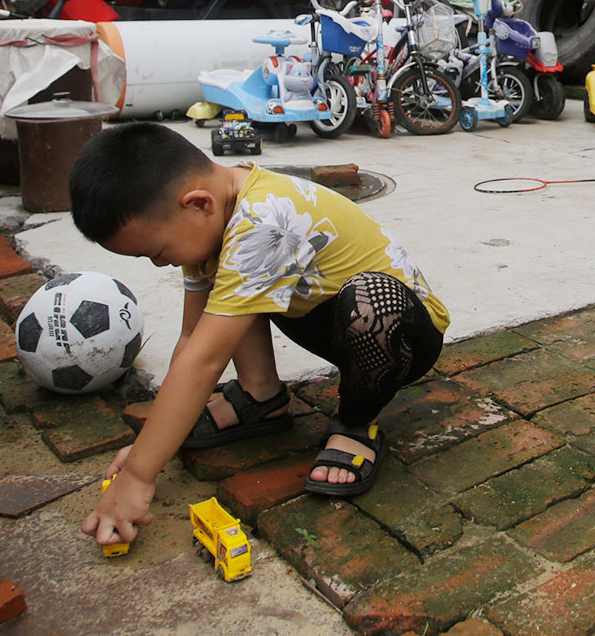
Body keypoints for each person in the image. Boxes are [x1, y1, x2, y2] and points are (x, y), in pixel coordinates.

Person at [70, 122, 449, 550]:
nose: (160, 264)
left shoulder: (265, 217)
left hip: (398, 333)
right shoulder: (215, 214)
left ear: (197, 204)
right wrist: (151, 444)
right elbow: (194, 339)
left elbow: (206, 361)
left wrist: (140, 474)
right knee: (231, 289)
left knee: (369, 302)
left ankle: (357, 422)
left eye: (157, 253)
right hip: (327, 316)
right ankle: (261, 395)